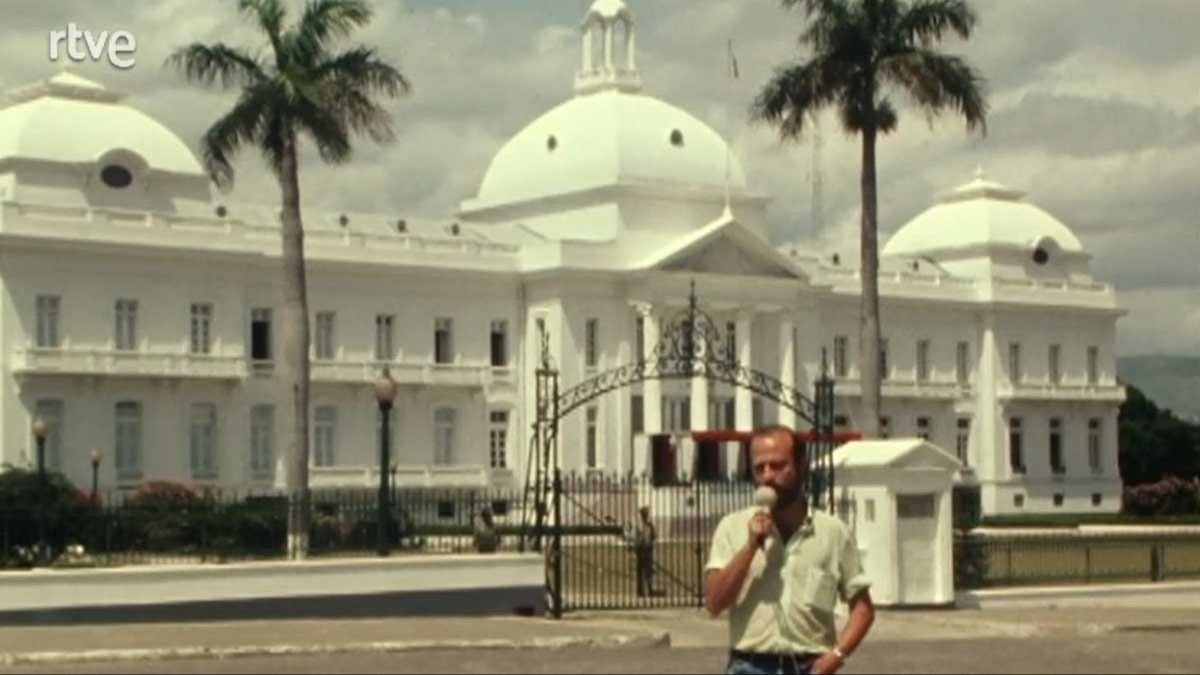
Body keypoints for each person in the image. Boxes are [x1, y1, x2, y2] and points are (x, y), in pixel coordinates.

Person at [704, 426, 875, 675]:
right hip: (750, 665)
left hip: (810, 665)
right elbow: (714, 603)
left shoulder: (833, 533)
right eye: (759, 468)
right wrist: (750, 546)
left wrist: (837, 656)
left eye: (777, 466)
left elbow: (863, 609)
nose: (767, 476)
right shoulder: (732, 527)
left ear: (801, 467)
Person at [633, 505, 657, 597]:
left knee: (647, 571)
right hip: (642, 550)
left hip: (646, 550)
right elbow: (638, 538)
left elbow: (653, 537)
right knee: (642, 571)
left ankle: (648, 590)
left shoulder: (649, 526)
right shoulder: (642, 526)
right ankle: (641, 591)